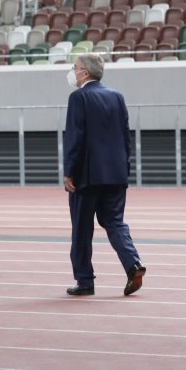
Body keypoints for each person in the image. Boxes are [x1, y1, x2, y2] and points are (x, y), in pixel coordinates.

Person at [62, 54, 145, 296]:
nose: (73, 71)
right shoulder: (117, 96)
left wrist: (69, 172)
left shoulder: (79, 97)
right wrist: (123, 167)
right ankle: (133, 264)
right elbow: (125, 136)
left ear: (85, 73)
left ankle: (85, 281)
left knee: (81, 229)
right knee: (115, 222)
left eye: (75, 68)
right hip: (116, 173)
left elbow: (75, 138)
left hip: (87, 176)